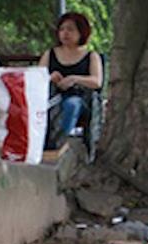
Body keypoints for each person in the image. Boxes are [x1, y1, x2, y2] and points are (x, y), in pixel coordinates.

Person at [38, 12, 103, 148]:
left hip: (80, 98)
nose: (65, 33)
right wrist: (50, 77)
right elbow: (38, 78)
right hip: (53, 97)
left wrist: (75, 79)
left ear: (81, 32)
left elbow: (97, 81)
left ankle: (57, 143)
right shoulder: (50, 54)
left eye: (70, 29)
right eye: (62, 29)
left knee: (71, 104)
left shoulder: (91, 56)